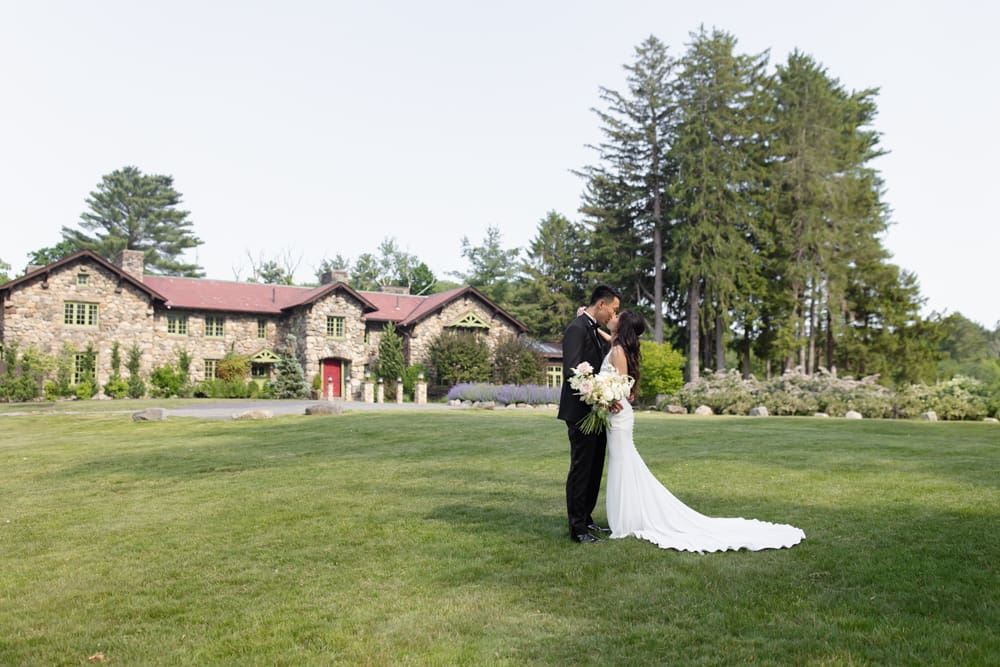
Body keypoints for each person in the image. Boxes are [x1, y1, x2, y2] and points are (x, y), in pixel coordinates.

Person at [603, 310, 806, 552]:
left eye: (617, 316)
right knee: (624, 463)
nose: (613, 317)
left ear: (622, 325)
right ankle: (628, 516)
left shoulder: (618, 351)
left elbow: (623, 386)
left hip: (617, 414)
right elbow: (613, 349)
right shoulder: (617, 346)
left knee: (622, 463)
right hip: (617, 414)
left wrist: (603, 397)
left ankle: (626, 521)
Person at [559, 286, 621, 543]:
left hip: (596, 411)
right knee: (582, 469)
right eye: (614, 309)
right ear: (602, 304)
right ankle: (577, 529)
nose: (614, 314)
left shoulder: (593, 328)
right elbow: (572, 371)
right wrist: (598, 394)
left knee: (595, 468)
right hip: (580, 412)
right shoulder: (576, 328)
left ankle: (587, 519)